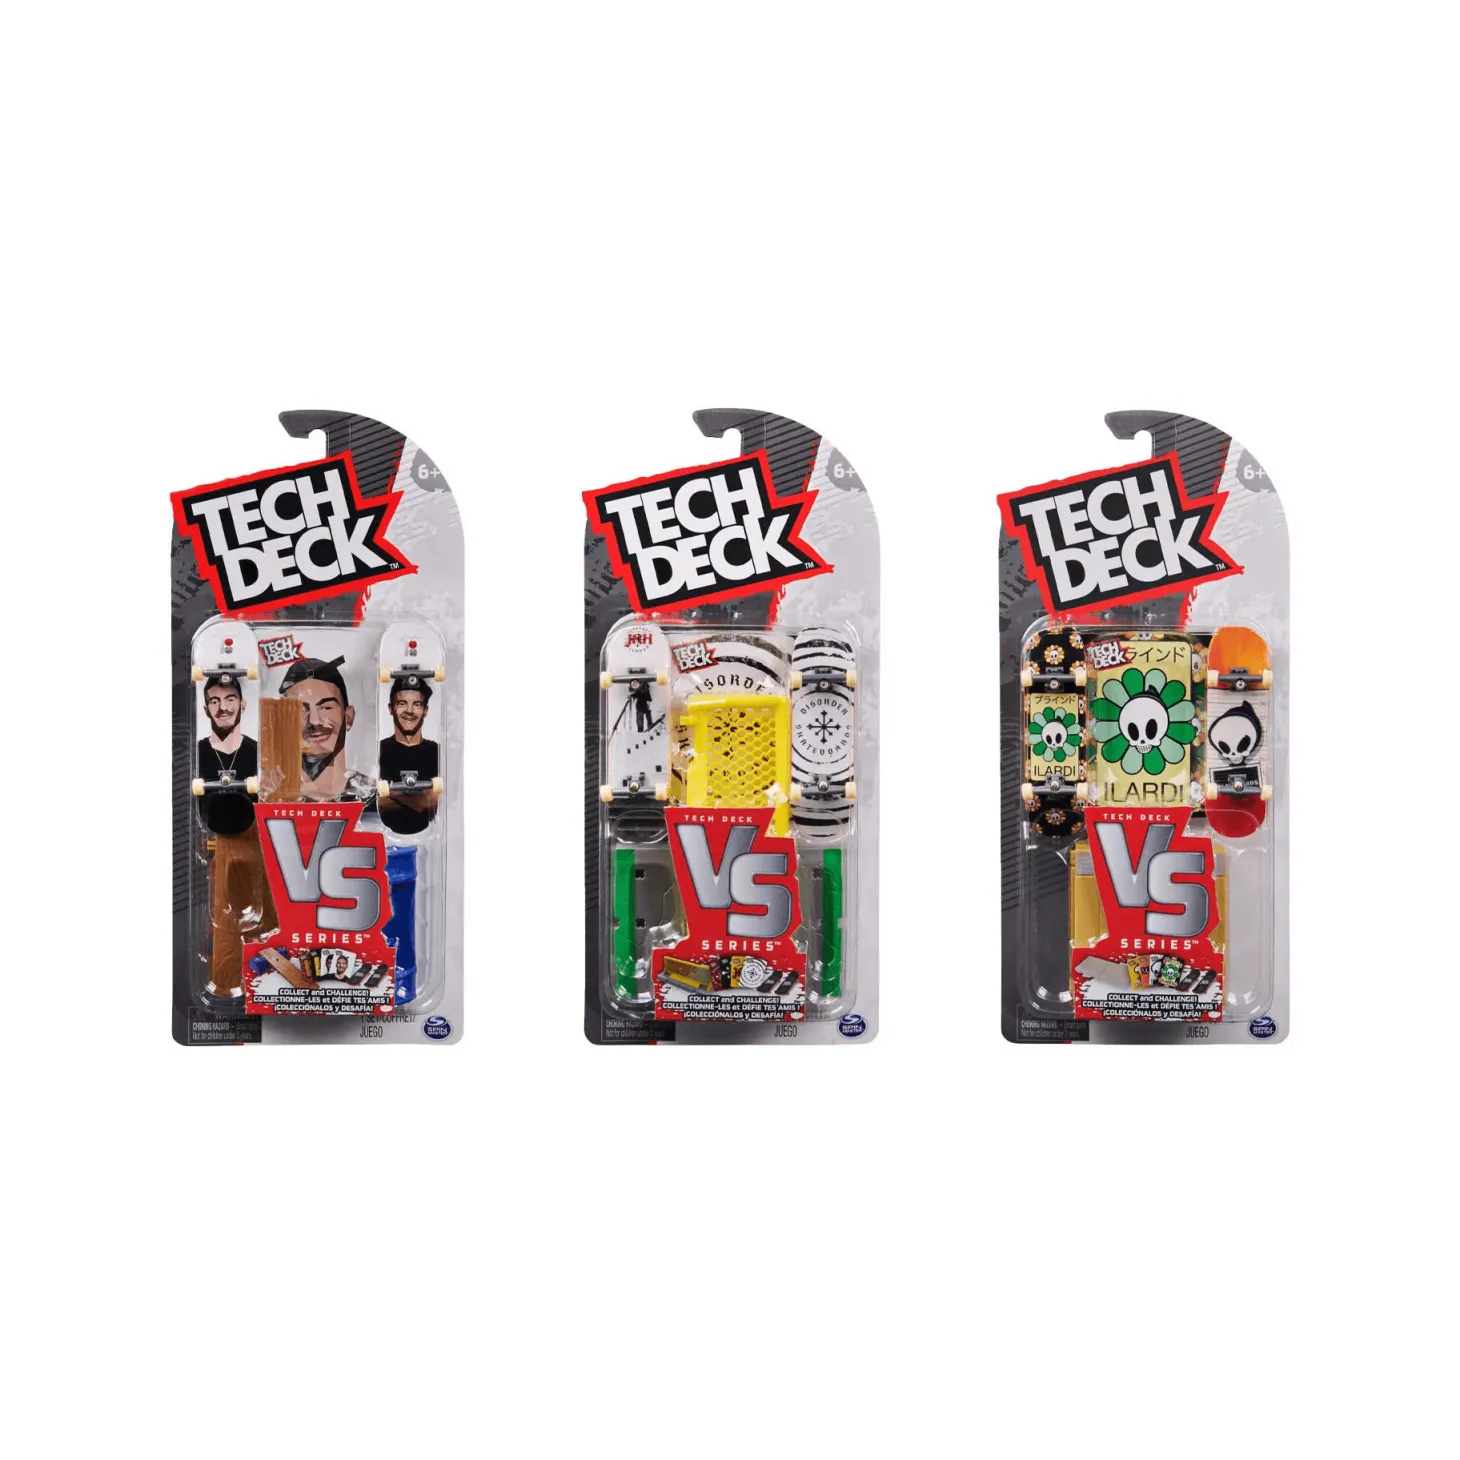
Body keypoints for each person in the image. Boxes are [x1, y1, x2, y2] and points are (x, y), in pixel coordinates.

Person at [274, 656, 376, 803]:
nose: (314, 721)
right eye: (300, 709)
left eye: (326, 707)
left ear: (348, 717)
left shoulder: (373, 796)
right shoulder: (270, 796)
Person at [378, 674, 440, 833]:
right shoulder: (378, 750)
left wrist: (389, 795)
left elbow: (435, 805)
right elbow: (371, 800)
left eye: (417, 704)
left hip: (429, 835)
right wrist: (423, 798)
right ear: (391, 708)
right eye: (402, 704)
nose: (410, 711)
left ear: (425, 710)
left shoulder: (438, 753)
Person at [197, 672, 258, 791]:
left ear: (242, 705)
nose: (223, 708)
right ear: (206, 710)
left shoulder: (259, 753)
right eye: (215, 701)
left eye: (230, 699)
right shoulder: (194, 754)